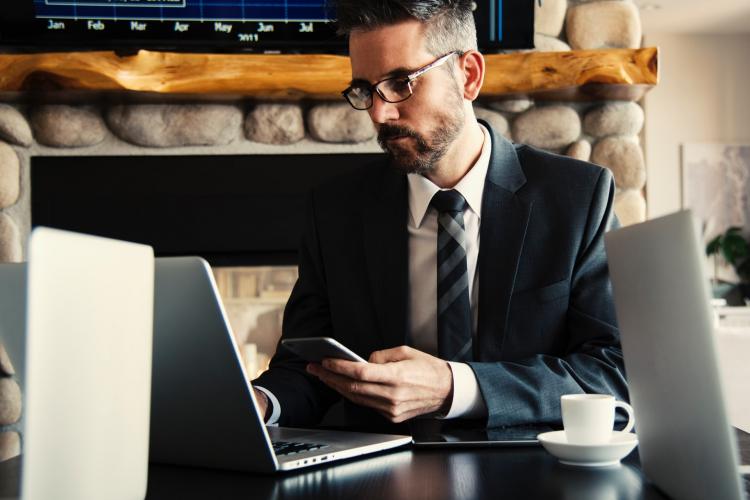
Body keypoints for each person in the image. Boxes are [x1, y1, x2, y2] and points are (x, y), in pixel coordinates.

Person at [252, 0, 627, 433]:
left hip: (529, 470)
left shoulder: (578, 197)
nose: (379, 113)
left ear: (469, 75)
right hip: (383, 477)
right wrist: (260, 402)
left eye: (400, 83)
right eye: (364, 90)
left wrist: (456, 387)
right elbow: (306, 370)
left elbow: (612, 371)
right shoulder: (334, 211)